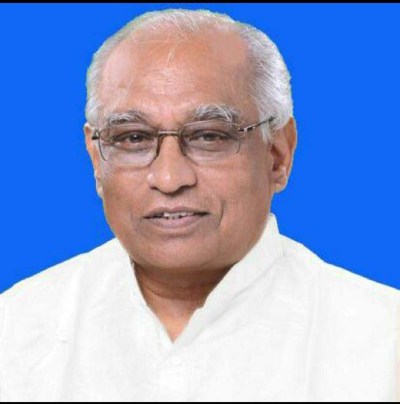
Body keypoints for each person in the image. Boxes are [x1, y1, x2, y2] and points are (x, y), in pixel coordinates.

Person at [0, 8, 399, 402]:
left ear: (278, 154)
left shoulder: (383, 346)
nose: (170, 178)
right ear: (96, 159)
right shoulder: (15, 333)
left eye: (209, 136)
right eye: (134, 138)